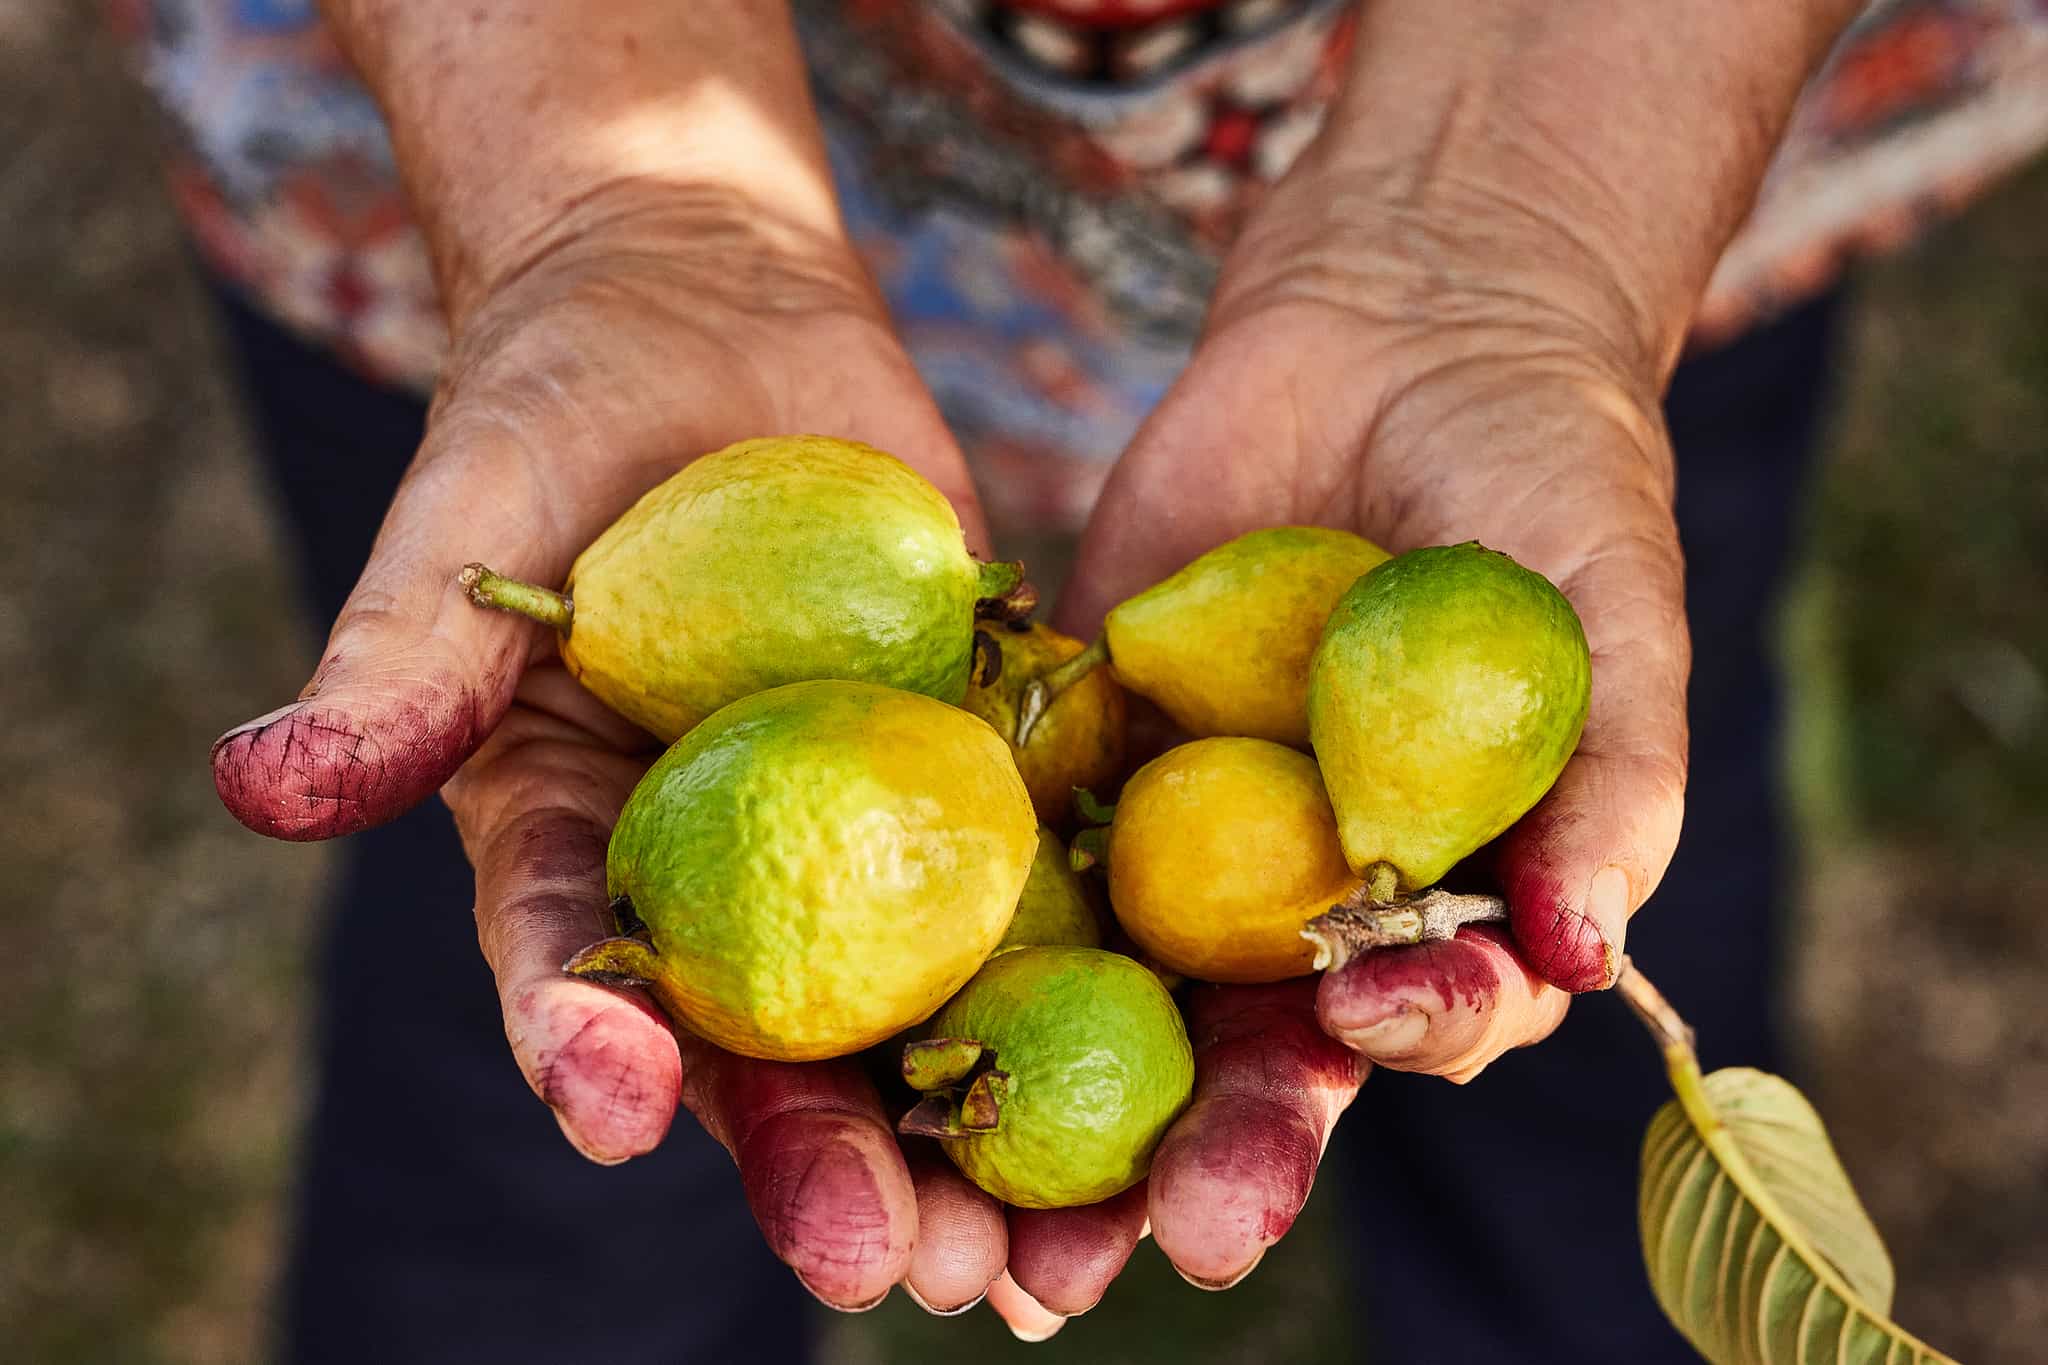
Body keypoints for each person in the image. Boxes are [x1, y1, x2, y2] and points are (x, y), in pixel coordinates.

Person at [122, 1, 2048, 1359]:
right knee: (535, 1090)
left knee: (1566, 932)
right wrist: (607, 213)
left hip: (1596, 128)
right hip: (538, 100)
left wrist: (1519, 241)